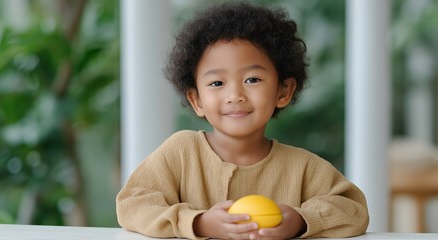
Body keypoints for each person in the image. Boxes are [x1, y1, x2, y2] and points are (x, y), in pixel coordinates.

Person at [116, 2, 369, 239]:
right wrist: (197, 222)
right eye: (217, 83)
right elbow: (132, 203)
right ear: (197, 100)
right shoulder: (180, 152)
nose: (235, 95)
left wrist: (301, 220)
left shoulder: (302, 167)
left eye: (252, 80)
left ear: (283, 91)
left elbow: (354, 209)